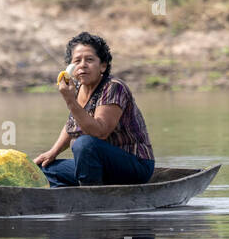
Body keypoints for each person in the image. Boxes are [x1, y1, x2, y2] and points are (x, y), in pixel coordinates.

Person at [34, 32, 155, 186]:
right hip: (100, 166)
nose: (83, 65)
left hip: (134, 165)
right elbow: (72, 126)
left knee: (84, 144)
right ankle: (80, 189)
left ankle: (89, 194)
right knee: (43, 170)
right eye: (77, 61)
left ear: (103, 66)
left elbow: (100, 132)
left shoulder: (113, 87)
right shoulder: (77, 88)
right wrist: (52, 153)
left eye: (89, 60)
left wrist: (70, 101)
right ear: (70, 67)